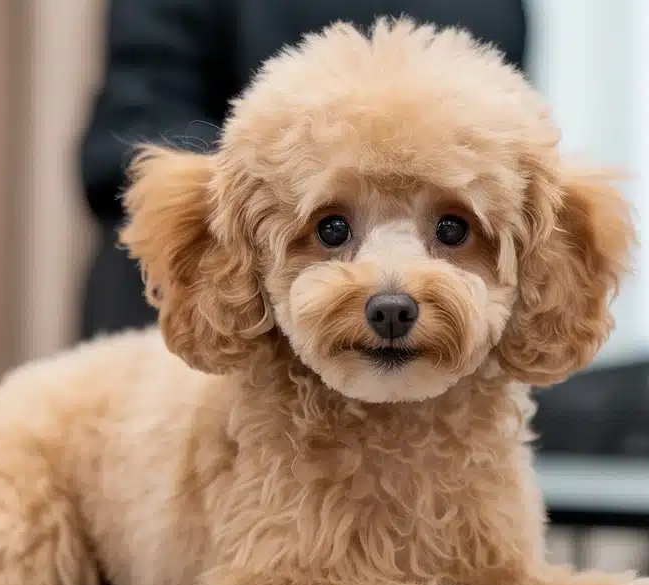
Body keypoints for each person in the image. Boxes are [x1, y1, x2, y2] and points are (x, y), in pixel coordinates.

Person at [76, 0, 531, 340]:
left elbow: (502, 166)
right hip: (225, 268)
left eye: (450, 229)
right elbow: (132, 122)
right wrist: (269, 193)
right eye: (335, 229)